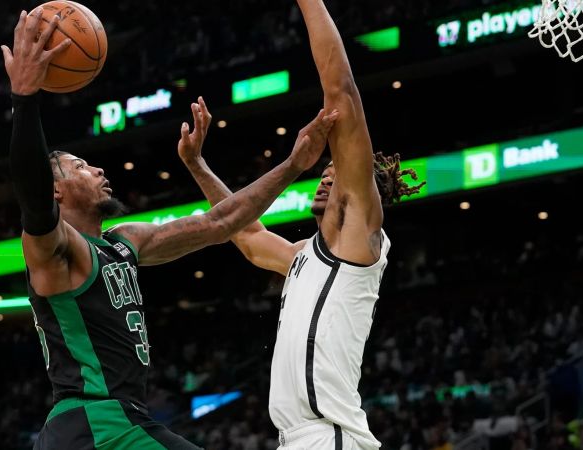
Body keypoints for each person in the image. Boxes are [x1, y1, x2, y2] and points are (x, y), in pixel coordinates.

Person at [0, 8, 339, 449]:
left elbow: (219, 223)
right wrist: (25, 99)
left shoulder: (125, 242)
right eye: (80, 167)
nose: (98, 169)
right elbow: (30, 190)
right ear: (56, 193)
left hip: (110, 424)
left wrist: (293, 165)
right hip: (96, 422)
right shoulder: (58, 251)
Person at [177, 0, 426, 446]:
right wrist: (197, 165)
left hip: (330, 436)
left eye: (337, 177)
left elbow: (343, 93)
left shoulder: (357, 236)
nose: (326, 181)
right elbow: (248, 236)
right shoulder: (301, 256)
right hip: (296, 438)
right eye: (324, 175)